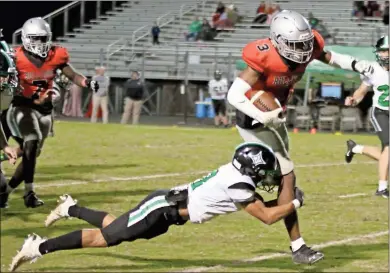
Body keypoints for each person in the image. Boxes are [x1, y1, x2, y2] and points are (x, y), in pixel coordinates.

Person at [9, 142, 306, 272]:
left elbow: (258, 206)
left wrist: (287, 201)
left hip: (168, 213)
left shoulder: (237, 177)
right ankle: (39, 246)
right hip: (161, 208)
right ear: (250, 168)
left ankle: (71, 208)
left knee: (117, 229)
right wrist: (294, 201)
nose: (267, 177)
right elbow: (267, 216)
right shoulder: (239, 184)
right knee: (107, 237)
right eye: (264, 171)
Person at [226, 10, 374, 264]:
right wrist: (263, 116)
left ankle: (270, 201)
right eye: (296, 45)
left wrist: (356, 65)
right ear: (278, 40)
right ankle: (297, 243)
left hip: (276, 116)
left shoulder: (309, 45)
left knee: (282, 176)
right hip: (255, 118)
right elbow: (234, 95)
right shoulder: (263, 55)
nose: (304, 49)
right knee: (287, 174)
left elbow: (330, 57)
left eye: (305, 43)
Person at [0, 18, 99, 209]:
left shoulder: (56, 54)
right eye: (36, 39)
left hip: (44, 111)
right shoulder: (15, 57)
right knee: (32, 139)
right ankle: (29, 192)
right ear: (27, 39)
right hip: (22, 107)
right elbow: (9, 82)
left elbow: (72, 75)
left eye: (43, 38)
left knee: (32, 153)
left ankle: (7, 192)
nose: (40, 43)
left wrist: (87, 82)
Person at [344, 36, 389, 198]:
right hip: (380, 111)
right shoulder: (373, 69)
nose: (383, 55)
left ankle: (355, 148)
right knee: (388, 146)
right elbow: (362, 91)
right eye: (382, 51)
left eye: (386, 50)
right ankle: (382, 188)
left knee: (387, 153)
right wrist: (354, 99)